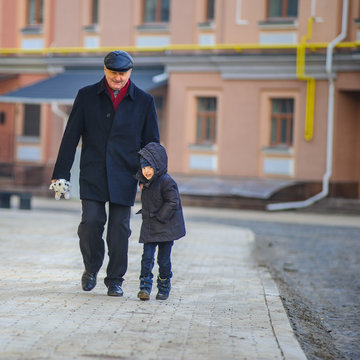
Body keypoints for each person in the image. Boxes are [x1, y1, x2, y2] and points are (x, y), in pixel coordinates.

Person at [51, 50, 160, 297]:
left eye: (122, 73)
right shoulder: (87, 96)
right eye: (114, 73)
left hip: (126, 175)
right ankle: (91, 268)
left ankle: (115, 279)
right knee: (91, 223)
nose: (118, 78)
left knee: (119, 229)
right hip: (93, 172)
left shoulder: (144, 101)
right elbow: (70, 138)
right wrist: (61, 175)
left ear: (130, 72)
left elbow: (152, 143)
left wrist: (149, 177)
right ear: (105, 70)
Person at [136, 142, 186, 301]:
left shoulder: (166, 181)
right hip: (150, 227)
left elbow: (173, 202)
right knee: (147, 258)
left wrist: (160, 217)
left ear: (158, 165)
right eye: (144, 168)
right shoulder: (145, 182)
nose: (146, 171)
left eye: (149, 167)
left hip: (165, 227)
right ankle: (145, 286)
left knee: (163, 260)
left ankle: (164, 285)